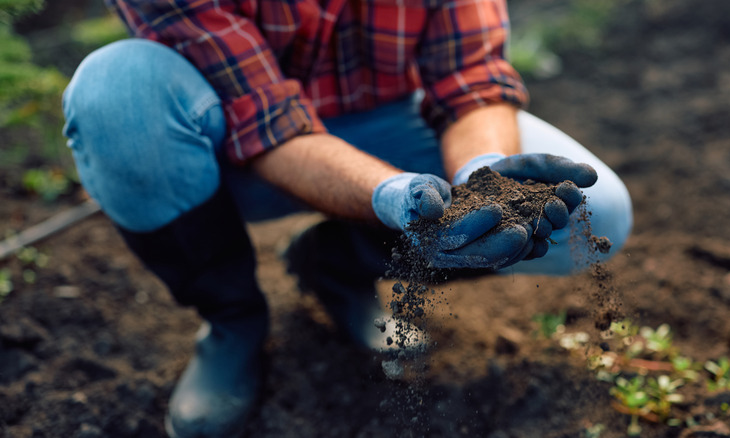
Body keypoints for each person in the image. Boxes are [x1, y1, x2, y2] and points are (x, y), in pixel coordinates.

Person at [61, 0, 632, 436]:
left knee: (595, 209)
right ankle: (232, 322)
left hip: (381, 121)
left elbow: (472, 79)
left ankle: (337, 263)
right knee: (117, 92)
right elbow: (269, 123)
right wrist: (396, 199)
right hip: (222, 145)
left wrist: (484, 177)